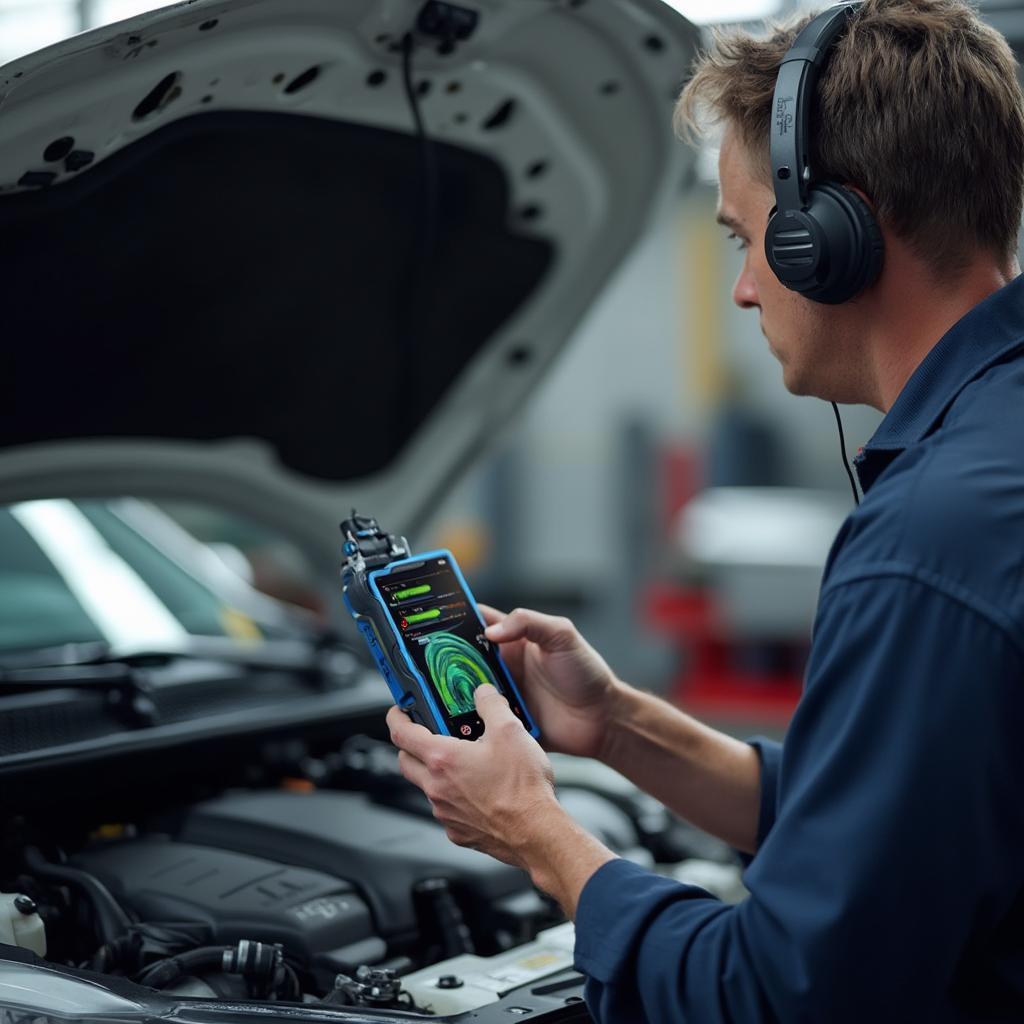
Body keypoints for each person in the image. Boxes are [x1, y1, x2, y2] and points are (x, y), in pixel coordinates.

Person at [387, 0, 1024, 1019]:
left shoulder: (929, 542)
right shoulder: (992, 454)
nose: (739, 289)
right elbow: (882, 824)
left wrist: (535, 830)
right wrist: (619, 724)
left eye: (745, 237)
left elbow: (776, 995)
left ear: (834, 233)